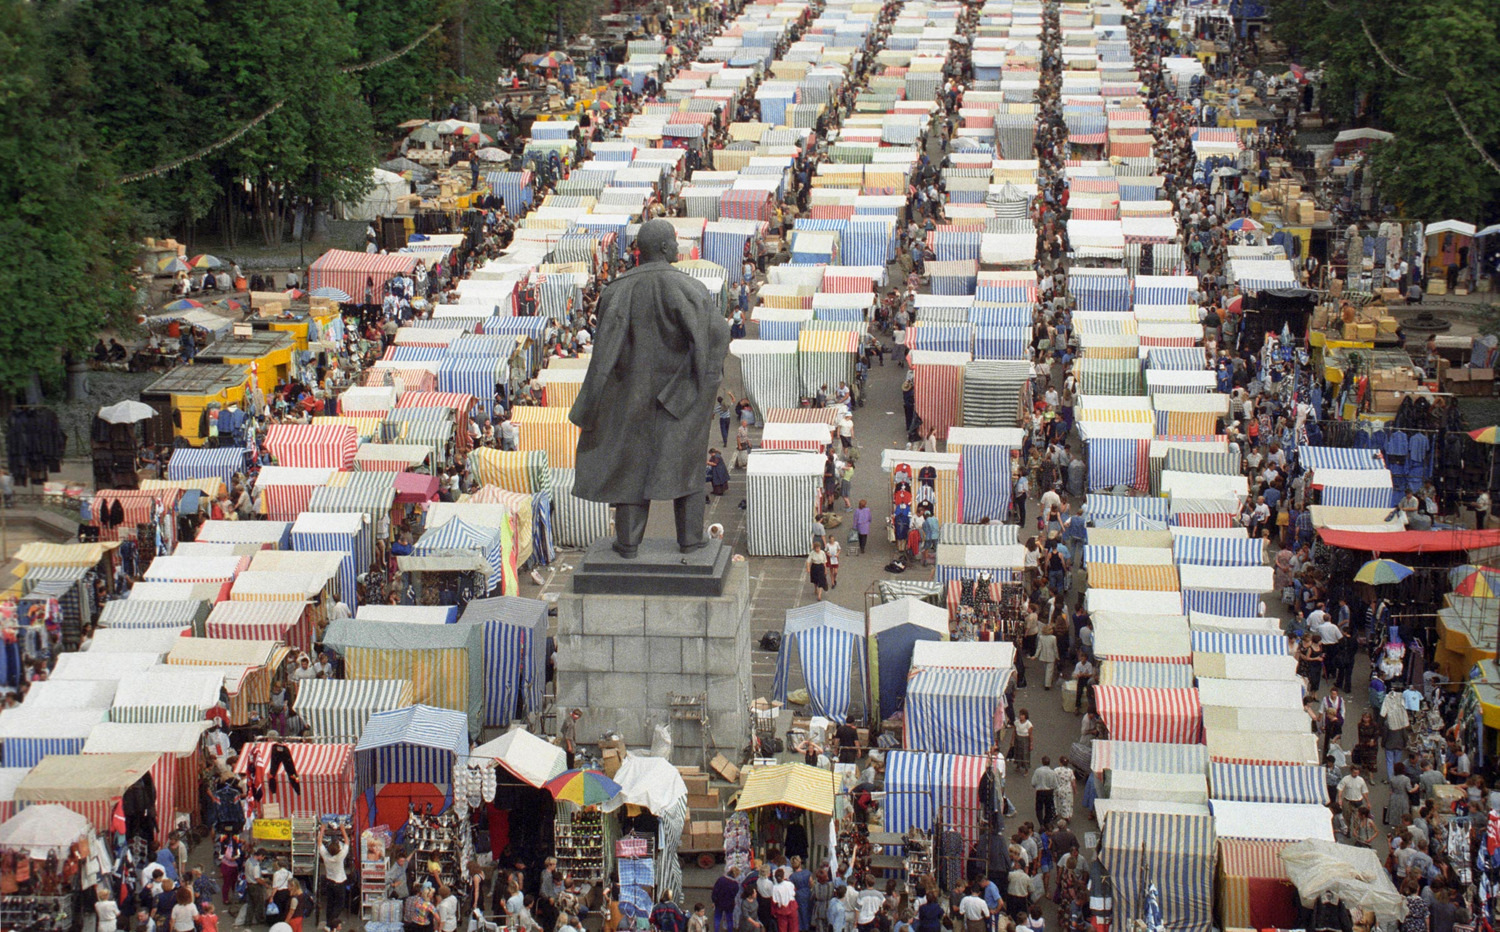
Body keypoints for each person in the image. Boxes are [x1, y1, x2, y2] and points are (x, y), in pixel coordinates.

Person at [569, 220, 731, 557]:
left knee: (630, 470)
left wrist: (589, 405)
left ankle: (628, 543)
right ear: (662, 247)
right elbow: (716, 340)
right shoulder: (690, 288)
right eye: (673, 241)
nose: (677, 246)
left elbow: (602, 357)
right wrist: (692, 391)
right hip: (681, 400)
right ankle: (690, 539)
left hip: (630, 399)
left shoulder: (616, 290)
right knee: (687, 466)